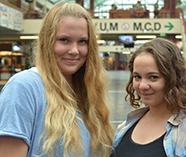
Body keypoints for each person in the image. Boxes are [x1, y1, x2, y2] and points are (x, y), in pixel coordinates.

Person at [0, 2, 114, 157]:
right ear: (47, 41)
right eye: (64, 40)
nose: (74, 51)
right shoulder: (24, 87)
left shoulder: (87, 92)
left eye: (82, 41)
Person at [110, 38, 186, 157]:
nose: (142, 86)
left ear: (173, 79)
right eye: (137, 77)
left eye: (153, 77)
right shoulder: (125, 126)